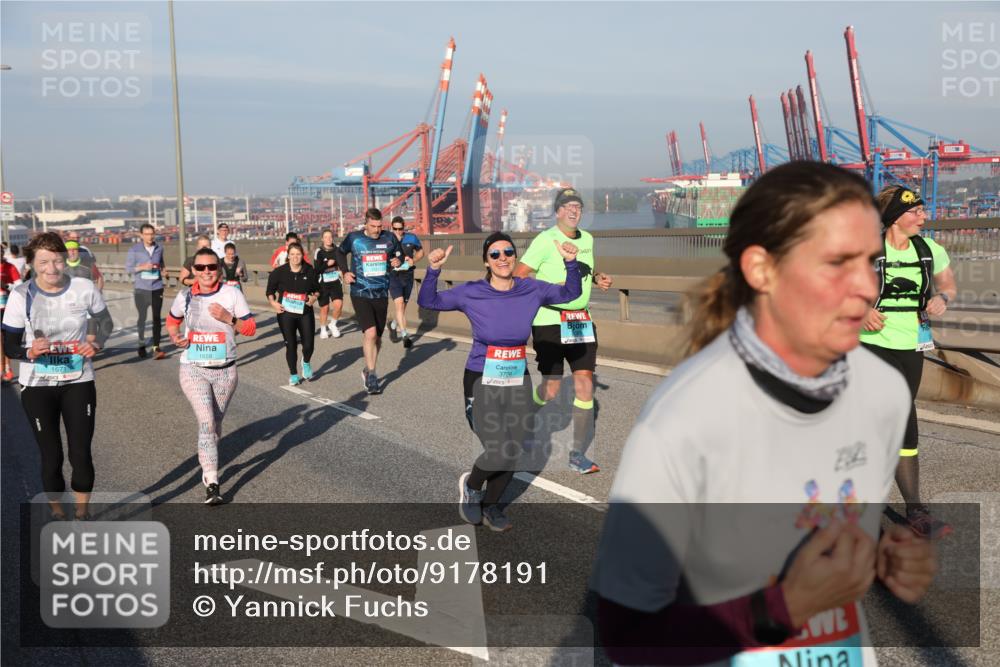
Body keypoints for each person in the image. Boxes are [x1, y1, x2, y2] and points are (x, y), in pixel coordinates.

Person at [591, 163, 936, 666]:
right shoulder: (686, 418)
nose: (866, 287)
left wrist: (882, 561)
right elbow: (626, 636)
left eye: (871, 262)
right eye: (838, 263)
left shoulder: (882, 391)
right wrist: (783, 608)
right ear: (761, 269)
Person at [418, 232, 582, 532]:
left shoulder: (531, 288)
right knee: (499, 448)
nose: (502, 258)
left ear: (515, 257)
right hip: (481, 378)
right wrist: (433, 270)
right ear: (486, 261)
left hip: (517, 378)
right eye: (494, 254)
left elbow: (570, 293)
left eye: (507, 252)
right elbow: (428, 300)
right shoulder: (472, 292)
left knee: (514, 448)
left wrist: (571, 262)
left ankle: (492, 506)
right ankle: (472, 485)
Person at [861, 186, 957, 539]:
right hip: (867, 344)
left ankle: (911, 510)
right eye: (915, 211)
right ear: (894, 218)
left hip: (912, 345)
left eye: (921, 210)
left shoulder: (930, 250)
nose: (923, 216)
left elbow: (948, 285)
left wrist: (942, 297)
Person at [1, 232, 114, 520]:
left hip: (78, 380)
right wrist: (30, 351)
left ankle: (82, 512)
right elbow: (10, 345)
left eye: (57, 261)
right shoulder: (21, 295)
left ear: (65, 259)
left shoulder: (83, 287)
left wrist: (96, 343)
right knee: (51, 455)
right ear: (31, 263)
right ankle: (57, 511)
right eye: (43, 262)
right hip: (37, 386)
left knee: (80, 453)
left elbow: (105, 322)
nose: (51, 268)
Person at [513, 187, 614, 474]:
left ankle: (577, 454)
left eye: (577, 206)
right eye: (567, 206)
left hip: (580, 320)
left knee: (584, 385)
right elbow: (519, 275)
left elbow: (584, 269)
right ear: (557, 211)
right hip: (550, 321)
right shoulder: (545, 240)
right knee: (551, 388)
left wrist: (597, 278)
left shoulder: (588, 239)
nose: (573, 210)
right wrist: (547, 290)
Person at [166, 247, 257, 505]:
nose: (206, 272)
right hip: (193, 368)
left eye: (211, 267)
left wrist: (229, 318)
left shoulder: (232, 293)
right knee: (206, 423)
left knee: (215, 425)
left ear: (218, 269)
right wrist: (175, 337)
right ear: (193, 271)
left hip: (225, 371)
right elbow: (172, 321)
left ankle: (209, 462)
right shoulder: (184, 297)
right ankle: (212, 481)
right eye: (200, 267)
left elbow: (250, 328)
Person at [336, 207, 403, 394]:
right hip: (360, 292)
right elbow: (340, 252)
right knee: (370, 333)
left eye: (379, 226)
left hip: (381, 293)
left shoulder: (389, 238)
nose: (377, 230)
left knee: (378, 338)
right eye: (373, 226)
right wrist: (345, 272)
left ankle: (368, 368)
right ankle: (372, 375)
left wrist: (398, 261)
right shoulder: (354, 238)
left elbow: (399, 255)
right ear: (366, 223)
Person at [266, 242, 319, 385]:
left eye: (298, 254)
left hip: (305, 312)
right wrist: (273, 303)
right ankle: (294, 374)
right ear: (288, 256)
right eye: (292, 254)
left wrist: (314, 298)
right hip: (286, 314)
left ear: (302, 255)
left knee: (309, 345)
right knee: (291, 345)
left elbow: (318, 289)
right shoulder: (279, 272)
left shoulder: (309, 270)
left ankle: (306, 361)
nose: (295, 257)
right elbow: (270, 291)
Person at [124, 223, 168, 359]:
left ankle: (156, 347)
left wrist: (164, 271)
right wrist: (142, 267)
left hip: (157, 287)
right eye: (147, 234)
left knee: (156, 318)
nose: (150, 237)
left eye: (152, 234)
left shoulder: (159, 248)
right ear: (141, 235)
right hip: (141, 289)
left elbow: (161, 263)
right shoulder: (134, 249)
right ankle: (141, 345)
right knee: (142, 318)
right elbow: (128, 269)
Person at [388, 216, 424, 349]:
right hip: (393, 276)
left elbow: (421, 252)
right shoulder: (387, 239)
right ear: (392, 228)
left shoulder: (411, 238)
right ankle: (405, 335)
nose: (398, 231)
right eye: (395, 229)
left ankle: (393, 325)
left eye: (400, 229)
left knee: (403, 307)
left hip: (408, 276)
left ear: (404, 227)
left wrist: (414, 260)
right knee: (399, 304)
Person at [313, 229, 344, 339]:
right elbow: (316, 270)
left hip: (335, 282)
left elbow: (342, 263)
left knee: (339, 305)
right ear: (322, 239)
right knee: (324, 308)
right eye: (326, 237)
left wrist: (343, 271)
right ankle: (323, 329)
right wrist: (327, 264)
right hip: (323, 284)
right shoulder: (319, 251)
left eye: (330, 237)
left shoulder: (337, 250)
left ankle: (333, 324)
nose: (328, 239)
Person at [1, 252, 22, 382]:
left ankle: (7, 368)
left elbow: (20, 286)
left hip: (6, 308)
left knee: (4, 340)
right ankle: (2, 369)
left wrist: (6, 286)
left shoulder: (10, 267)